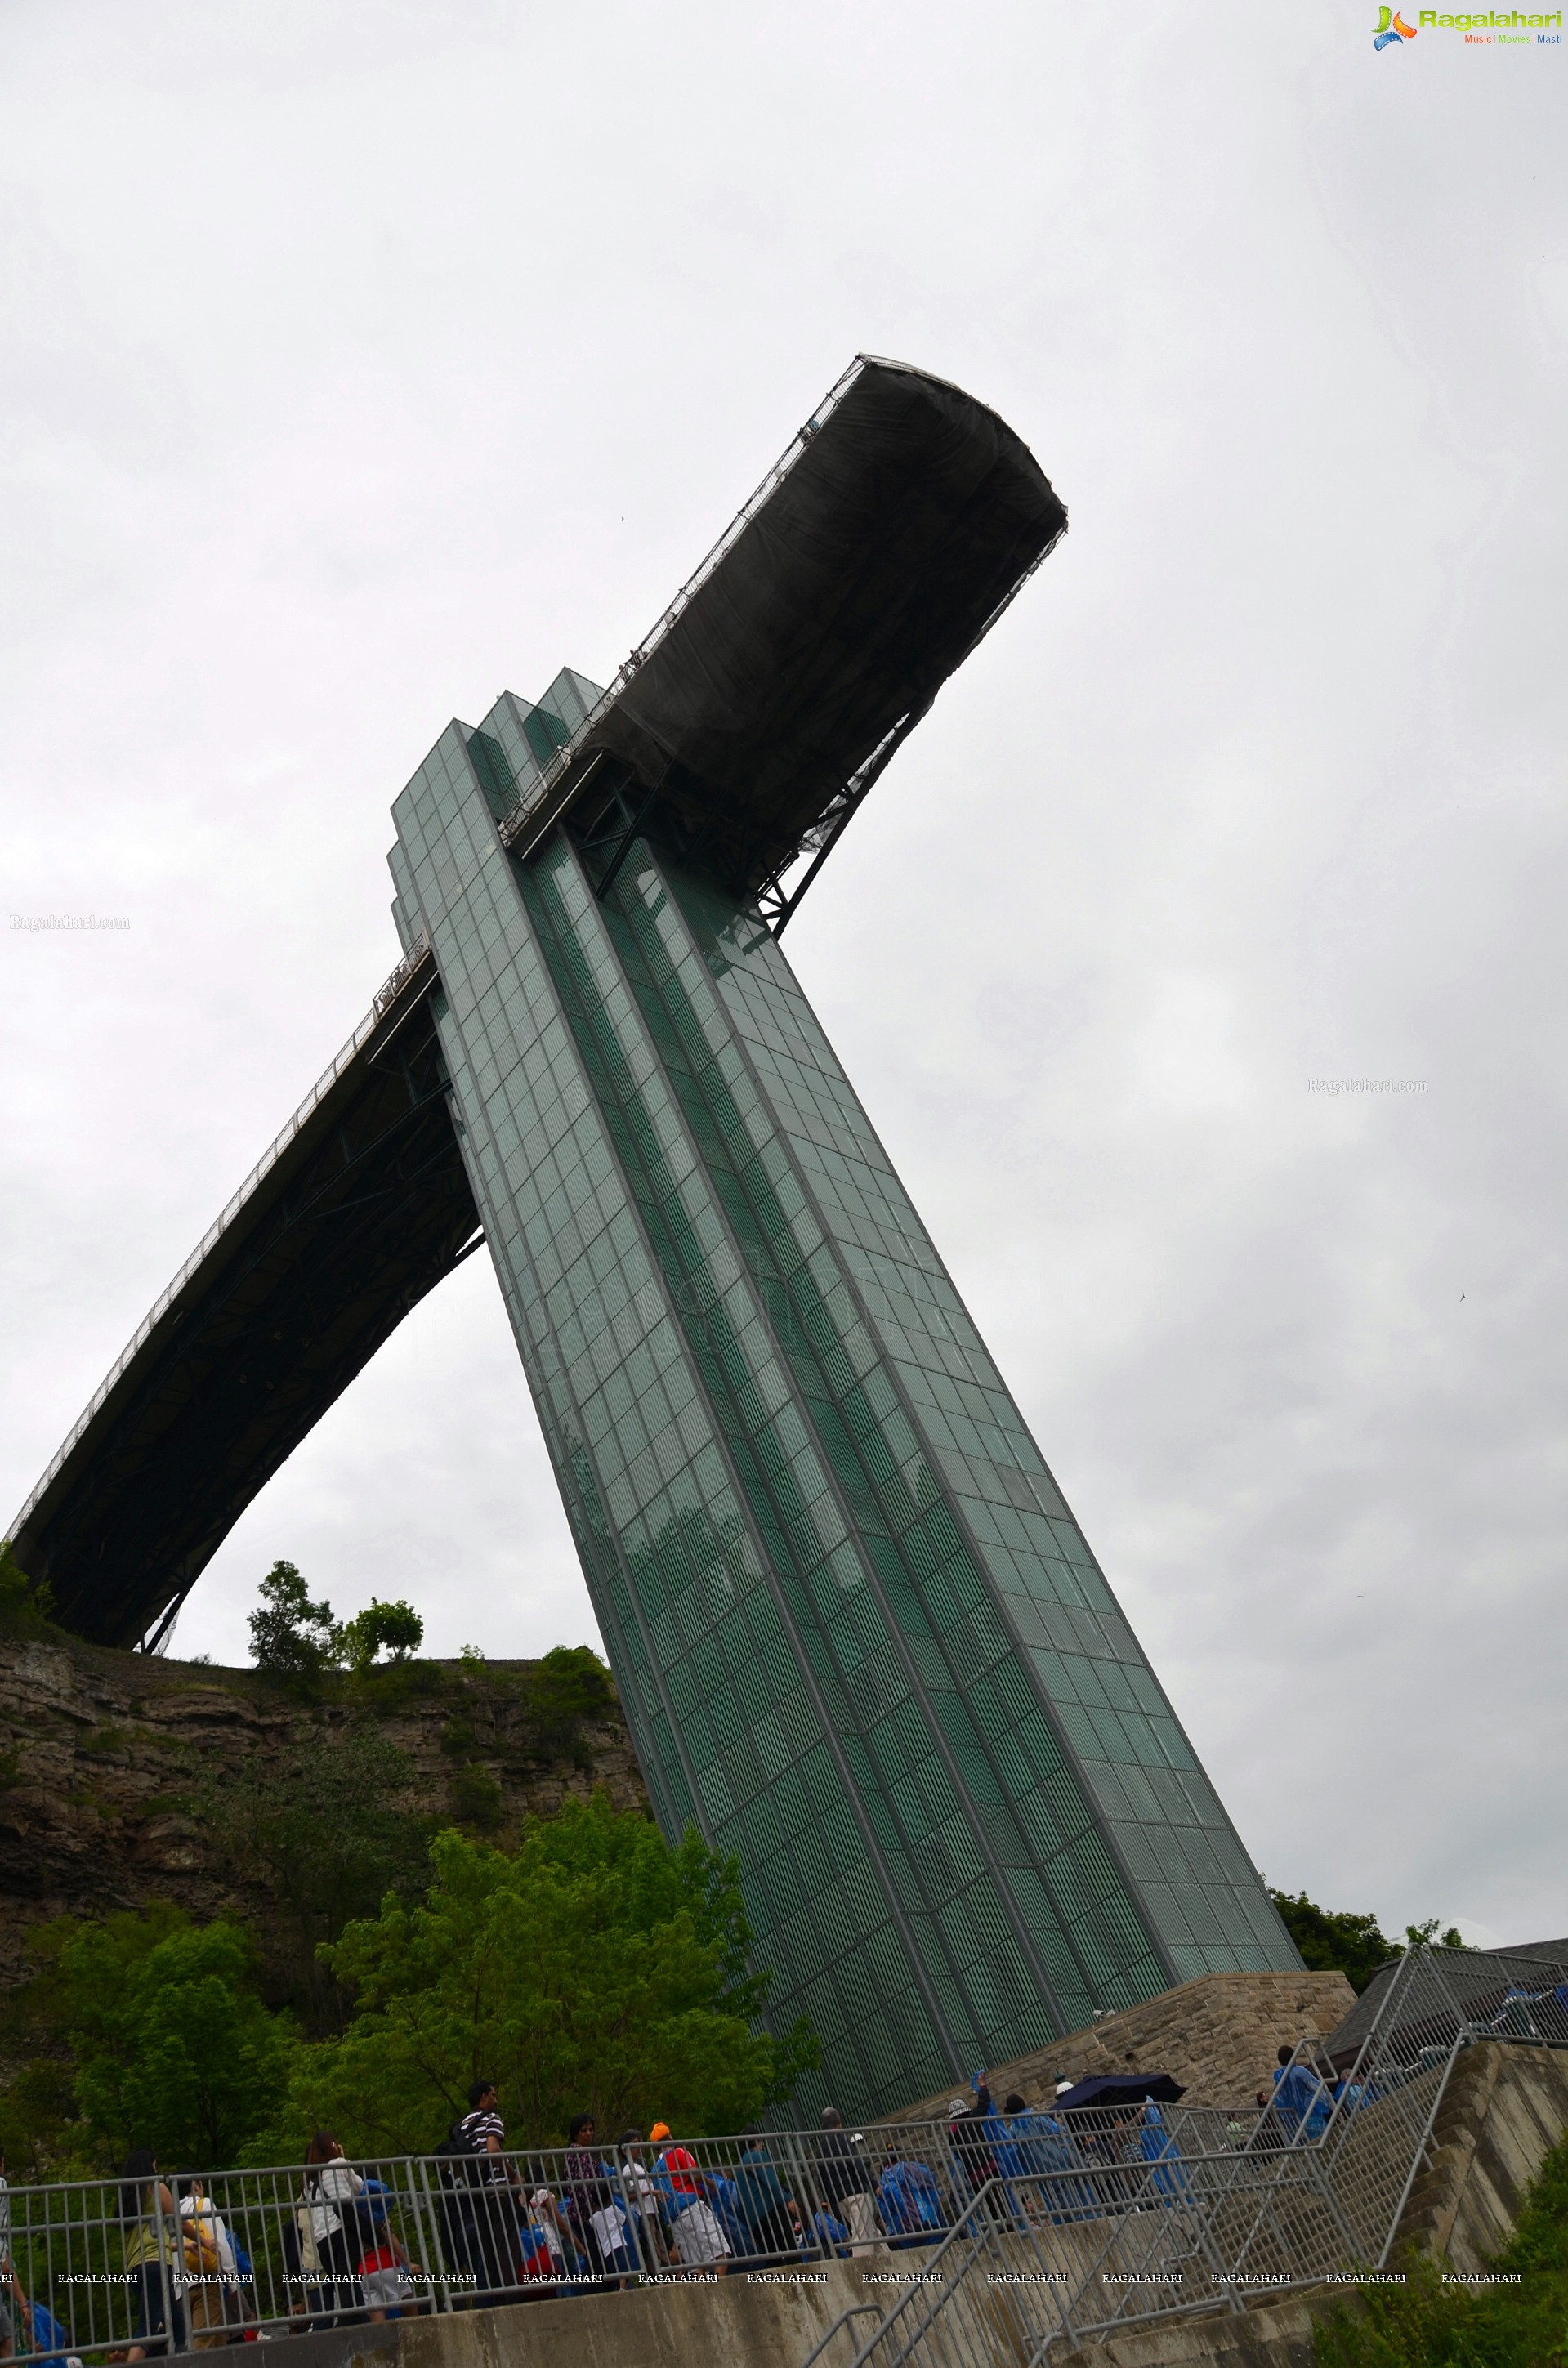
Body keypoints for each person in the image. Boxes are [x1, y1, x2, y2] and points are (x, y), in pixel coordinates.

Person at [444, 2081, 523, 2303]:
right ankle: (512, 2297)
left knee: (488, 2248)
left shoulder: (462, 2127)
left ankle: (494, 2297)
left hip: (477, 2194)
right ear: (484, 2097)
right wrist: (513, 2174)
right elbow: (493, 2150)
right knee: (507, 2245)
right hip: (498, 2189)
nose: (496, 2101)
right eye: (493, 2095)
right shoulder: (491, 2119)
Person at [120, 2149, 185, 2362]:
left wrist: (186, 2247)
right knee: (147, 2327)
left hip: (135, 2268)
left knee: (177, 2326)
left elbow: (150, 2239)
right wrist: (204, 2241)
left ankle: (184, 2360)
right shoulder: (155, 2187)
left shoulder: (129, 2197)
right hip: (156, 2265)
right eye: (155, 2166)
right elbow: (179, 2221)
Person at [302, 2133, 367, 2325]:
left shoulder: (309, 2181)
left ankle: (361, 2321)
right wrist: (343, 2157)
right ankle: (349, 2325)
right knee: (350, 2281)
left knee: (344, 2283)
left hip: (323, 2240)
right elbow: (358, 2187)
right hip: (342, 2231)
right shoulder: (338, 2164)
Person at [651, 2128, 730, 2273]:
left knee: (696, 2267)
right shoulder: (678, 2152)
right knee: (721, 2253)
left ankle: (705, 2295)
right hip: (692, 2209)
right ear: (670, 2137)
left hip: (675, 2221)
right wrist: (711, 2184)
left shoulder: (654, 2170)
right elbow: (694, 2175)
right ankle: (719, 2293)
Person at [815, 2109, 885, 2255]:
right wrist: (874, 2184)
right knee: (862, 2236)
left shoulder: (821, 2150)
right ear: (839, 2123)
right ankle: (861, 2273)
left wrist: (832, 2201)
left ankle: (889, 2262)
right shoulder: (841, 2139)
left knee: (871, 2231)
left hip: (840, 2198)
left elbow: (822, 2179)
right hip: (856, 2193)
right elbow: (857, 2163)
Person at [734, 2130, 802, 2262]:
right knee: (791, 2252)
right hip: (771, 2211)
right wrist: (788, 2201)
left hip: (755, 2221)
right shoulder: (758, 2156)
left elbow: (740, 2201)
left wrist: (750, 2228)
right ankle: (800, 2281)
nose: (763, 2144)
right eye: (761, 2141)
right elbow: (772, 2182)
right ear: (756, 2141)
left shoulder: (738, 2168)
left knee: (773, 2259)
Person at [618, 2133, 668, 2268]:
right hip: (643, 2213)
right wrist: (652, 2192)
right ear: (624, 2149)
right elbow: (630, 2195)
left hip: (652, 2211)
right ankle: (656, 2280)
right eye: (634, 2143)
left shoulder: (639, 2166)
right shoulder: (628, 2169)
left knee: (661, 2249)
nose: (639, 2146)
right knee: (653, 2249)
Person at [1263, 2048, 1333, 2143]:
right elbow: (1317, 2088)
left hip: (1294, 2122)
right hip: (1310, 2114)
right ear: (1294, 2056)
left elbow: (1278, 2100)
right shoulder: (1300, 2072)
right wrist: (1330, 2103)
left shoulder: (1279, 2079)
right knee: (1323, 2141)